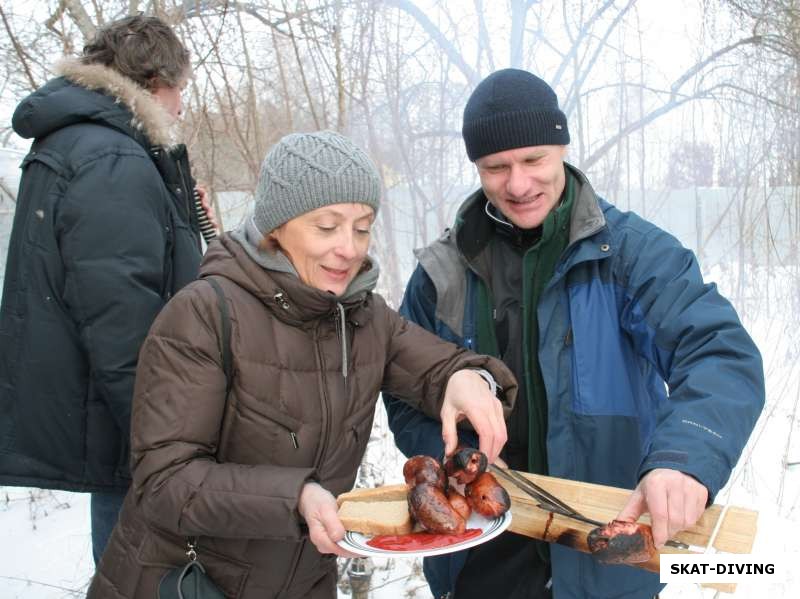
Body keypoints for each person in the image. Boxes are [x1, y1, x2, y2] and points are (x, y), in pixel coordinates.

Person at [383, 68, 765, 599]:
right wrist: (455, 472)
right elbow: (404, 389)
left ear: (561, 147)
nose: (518, 184)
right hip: (480, 558)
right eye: (496, 167)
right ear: (477, 167)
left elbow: (720, 355)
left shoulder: (631, 255)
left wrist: (685, 460)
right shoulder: (442, 273)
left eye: (534, 159)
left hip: (605, 557)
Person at [86, 130, 518, 599]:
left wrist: (469, 379)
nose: (350, 249)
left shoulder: (363, 316)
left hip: (303, 582)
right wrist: (296, 497)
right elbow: (165, 481)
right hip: (188, 583)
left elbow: (440, 367)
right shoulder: (204, 314)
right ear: (277, 226)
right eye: (327, 227)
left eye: (362, 226)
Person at [0, 15, 207, 564]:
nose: (181, 106)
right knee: (140, 572)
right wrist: (163, 445)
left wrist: (182, 211)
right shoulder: (110, 158)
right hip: (131, 427)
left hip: (112, 417)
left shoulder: (85, 143)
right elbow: (123, 321)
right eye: (179, 90)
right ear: (153, 82)